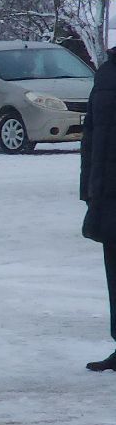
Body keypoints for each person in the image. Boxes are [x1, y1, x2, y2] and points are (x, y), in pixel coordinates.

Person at [84, 44, 116, 371]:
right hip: (108, 193)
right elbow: (90, 135)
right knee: (114, 275)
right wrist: (88, 189)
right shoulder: (105, 73)